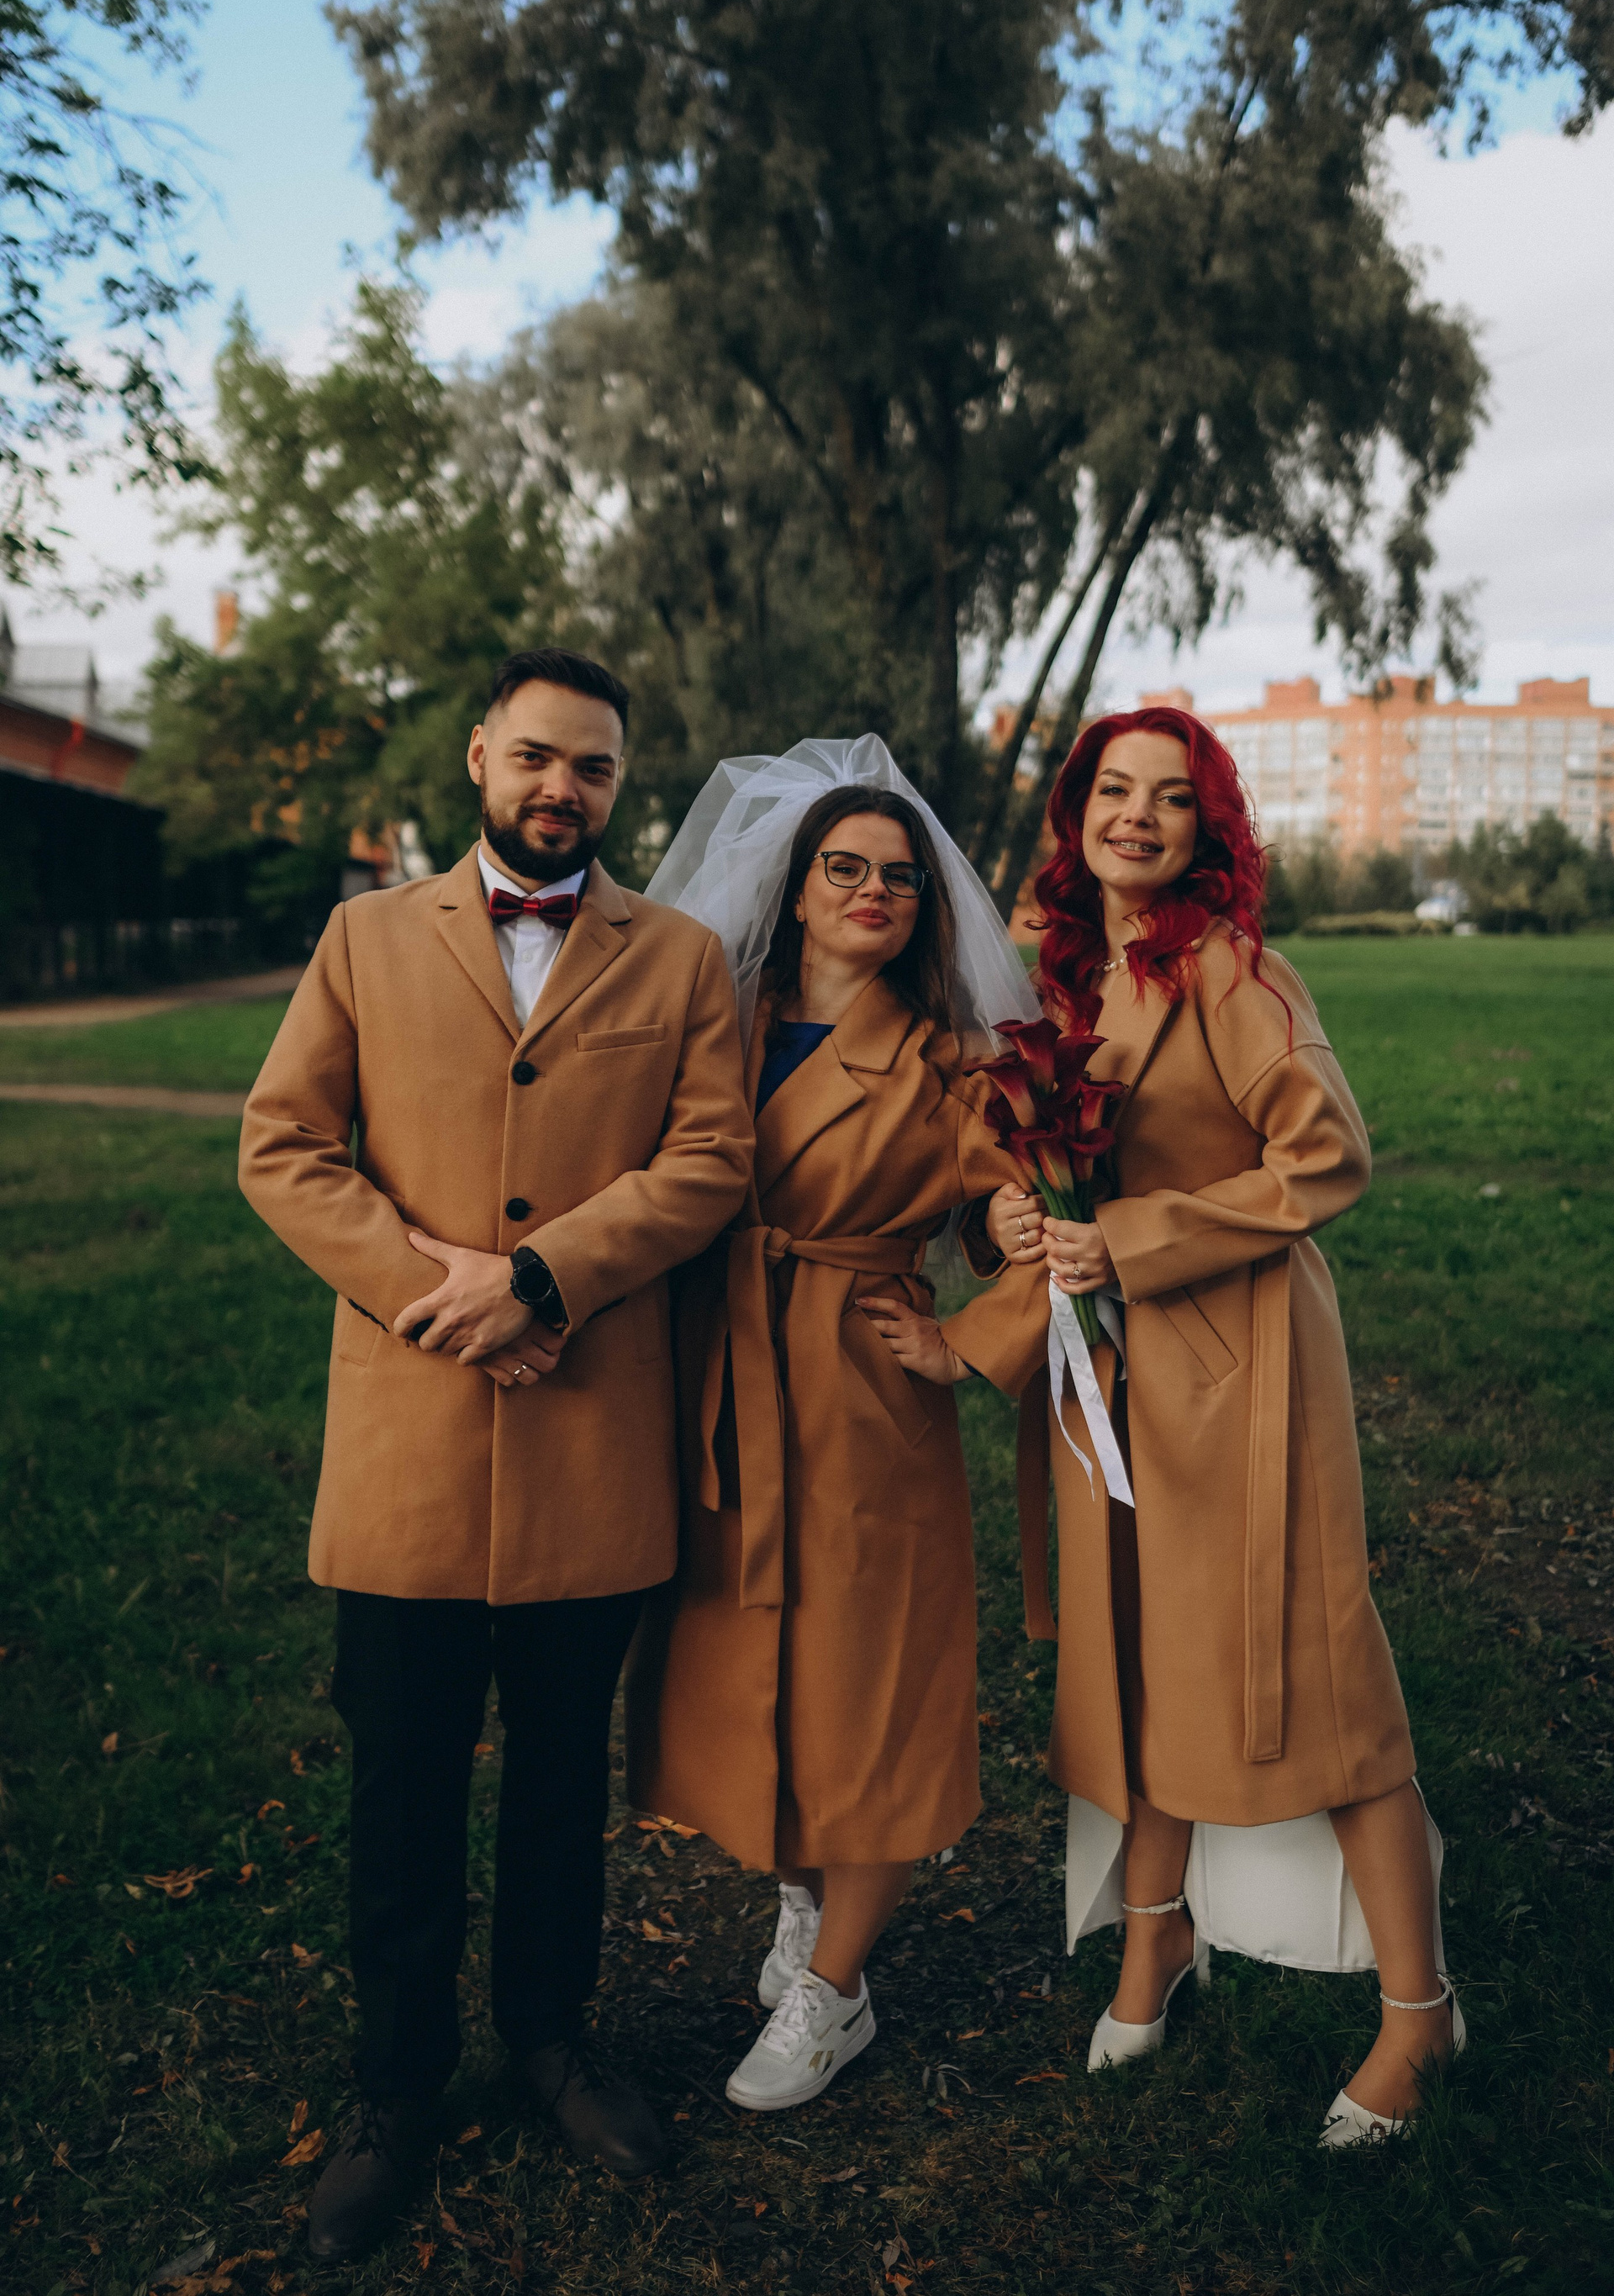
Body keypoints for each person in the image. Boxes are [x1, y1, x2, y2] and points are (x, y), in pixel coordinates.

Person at [238, 648, 752, 2258]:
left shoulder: (680, 958)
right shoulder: (366, 938)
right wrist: (445, 1294)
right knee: (400, 1782)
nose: (560, 788)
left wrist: (542, 1277)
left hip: (593, 1438)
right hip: (407, 1439)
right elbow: (283, 1146)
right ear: (479, 756)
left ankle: (552, 2039)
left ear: (618, 784)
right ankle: (395, 2087)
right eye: (536, 756)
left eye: (591, 767)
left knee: (558, 1776)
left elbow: (712, 1158)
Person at [978, 705, 1464, 2147]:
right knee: (1141, 1655)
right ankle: (1156, 1939)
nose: (1137, 815)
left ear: (1209, 828)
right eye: (1113, 790)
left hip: (1246, 1364)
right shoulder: (1067, 973)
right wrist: (1011, 1209)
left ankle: (1420, 2012)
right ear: (1077, 814)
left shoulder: (1234, 971)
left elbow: (1330, 1156)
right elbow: (1023, 1145)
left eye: (1171, 797)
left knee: (1322, 1672)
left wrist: (1131, 1235)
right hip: (1113, 1374)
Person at [625, 738, 1049, 2112]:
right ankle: (805, 1893)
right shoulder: (717, 1016)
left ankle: (838, 1988)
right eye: (845, 867)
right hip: (716, 1377)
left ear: (926, 905)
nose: (874, 890)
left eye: (900, 877)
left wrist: (965, 1336)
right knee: (759, 1667)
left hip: (862, 1401)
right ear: (798, 886)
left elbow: (1032, 1222)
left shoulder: (953, 1060)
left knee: (875, 1688)